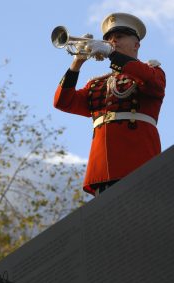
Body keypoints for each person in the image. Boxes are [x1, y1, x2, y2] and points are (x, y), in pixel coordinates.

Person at [53, 12, 166, 197]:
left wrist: (112, 55)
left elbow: (152, 82)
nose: (113, 41)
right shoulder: (97, 84)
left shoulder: (152, 71)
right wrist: (77, 63)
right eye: (109, 39)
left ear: (136, 44)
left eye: (119, 37)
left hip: (138, 162)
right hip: (102, 171)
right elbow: (63, 102)